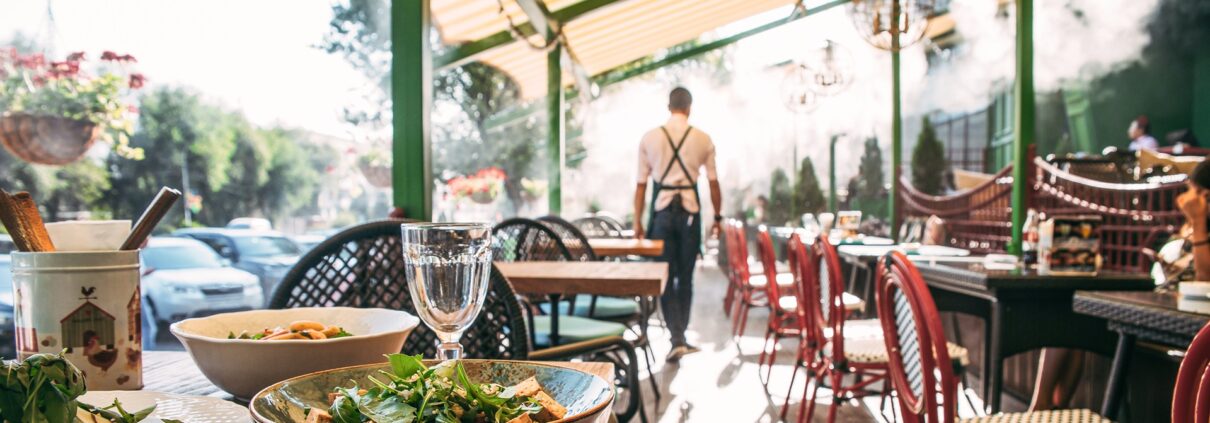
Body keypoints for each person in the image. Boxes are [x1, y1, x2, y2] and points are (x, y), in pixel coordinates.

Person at [633, 87, 723, 363]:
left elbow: (641, 185)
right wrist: (717, 218)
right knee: (685, 277)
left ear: (668, 106)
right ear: (690, 107)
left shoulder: (649, 138)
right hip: (690, 215)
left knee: (664, 277)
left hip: (661, 214)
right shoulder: (703, 139)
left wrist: (637, 221)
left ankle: (676, 338)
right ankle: (680, 337)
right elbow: (713, 183)